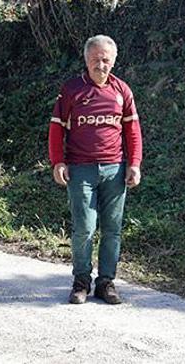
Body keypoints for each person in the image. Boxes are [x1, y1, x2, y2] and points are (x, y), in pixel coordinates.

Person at [48, 34, 142, 305]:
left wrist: (134, 164)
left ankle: (106, 283)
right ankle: (81, 282)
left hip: (115, 170)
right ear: (86, 60)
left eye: (105, 60)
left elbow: (132, 131)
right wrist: (58, 162)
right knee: (84, 229)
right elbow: (56, 130)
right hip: (81, 170)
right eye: (95, 60)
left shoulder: (122, 90)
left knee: (112, 229)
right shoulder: (71, 90)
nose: (100, 65)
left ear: (113, 61)